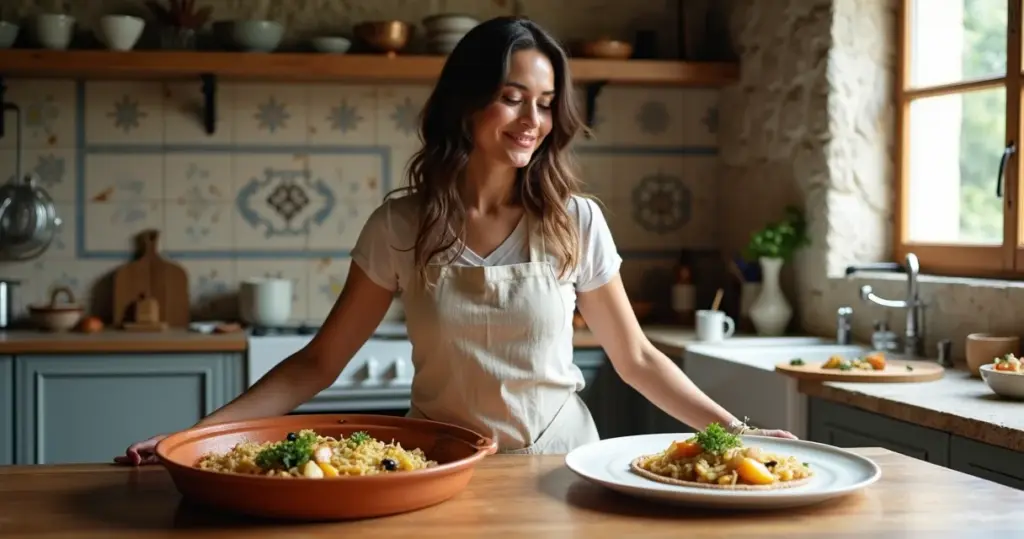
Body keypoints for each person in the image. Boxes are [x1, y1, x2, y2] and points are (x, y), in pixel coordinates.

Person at [115, 16, 795, 465]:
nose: (533, 119)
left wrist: (736, 430)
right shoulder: (400, 226)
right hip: (439, 470)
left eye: (545, 100)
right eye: (510, 95)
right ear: (466, 101)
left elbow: (638, 358)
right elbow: (315, 364)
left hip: (559, 464)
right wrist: (196, 438)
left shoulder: (575, 220)